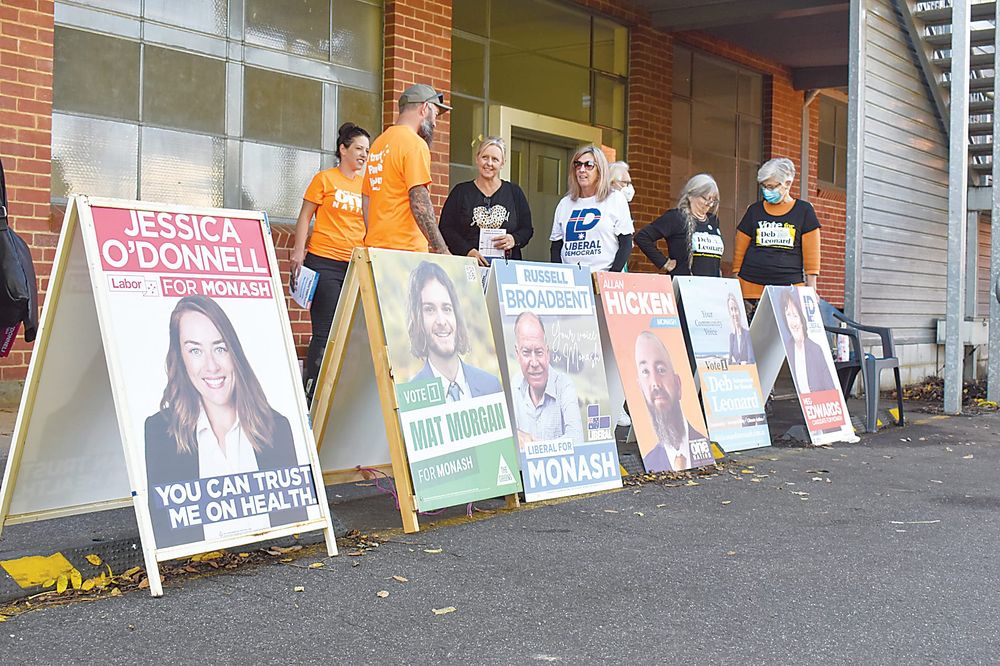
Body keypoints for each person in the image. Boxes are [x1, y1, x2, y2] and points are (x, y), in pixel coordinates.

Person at [145, 296, 306, 548]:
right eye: (195, 350)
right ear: (181, 358)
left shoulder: (277, 426)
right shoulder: (160, 432)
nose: (211, 366)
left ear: (234, 352)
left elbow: (294, 523)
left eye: (220, 348)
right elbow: (167, 534)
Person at [291, 122, 370, 404]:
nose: (363, 155)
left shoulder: (367, 185)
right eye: (358, 148)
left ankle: (338, 394)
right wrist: (298, 252)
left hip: (356, 265)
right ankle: (312, 393)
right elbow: (304, 217)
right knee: (325, 330)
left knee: (353, 332)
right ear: (343, 149)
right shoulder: (325, 179)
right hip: (324, 261)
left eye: (367, 151)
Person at [363, 83, 452, 255]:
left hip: (375, 250)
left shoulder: (378, 144)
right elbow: (420, 202)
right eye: (435, 114)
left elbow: (366, 200)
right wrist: (441, 249)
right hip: (406, 251)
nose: (435, 123)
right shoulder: (415, 144)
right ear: (424, 108)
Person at [732, 157, 821, 315]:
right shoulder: (754, 210)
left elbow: (811, 254)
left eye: (772, 186)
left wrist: (811, 288)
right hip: (751, 290)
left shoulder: (804, 211)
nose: (767, 191)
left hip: (789, 290)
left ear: (787, 183)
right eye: (764, 186)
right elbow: (740, 246)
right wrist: (735, 279)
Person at [406, 261, 501, 400]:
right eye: (430, 309)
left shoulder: (491, 385)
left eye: (446, 308)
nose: (441, 321)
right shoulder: (412, 396)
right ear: (418, 319)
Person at [439, 136, 533, 265]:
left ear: (502, 163)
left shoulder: (514, 193)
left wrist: (514, 239)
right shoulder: (461, 192)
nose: (489, 163)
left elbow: (527, 229)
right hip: (468, 266)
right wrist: (467, 251)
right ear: (477, 159)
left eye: (495, 159)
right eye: (485, 157)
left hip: (506, 267)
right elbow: (446, 228)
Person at [633, 331, 708, 472]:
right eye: (645, 372)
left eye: (661, 370)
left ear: (678, 384)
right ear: (640, 389)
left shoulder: (705, 447)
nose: (655, 383)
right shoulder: (649, 461)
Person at [550, 145, 633, 272]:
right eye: (578, 164)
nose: (582, 170)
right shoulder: (565, 204)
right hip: (571, 281)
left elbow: (626, 244)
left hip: (602, 278)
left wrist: (610, 277)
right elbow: (556, 246)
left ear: (600, 170)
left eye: (589, 165)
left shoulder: (615, 199)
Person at [511, 312, 584, 448]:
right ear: (517, 354)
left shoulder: (564, 385)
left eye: (539, 352)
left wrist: (533, 446)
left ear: (547, 352)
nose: (534, 362)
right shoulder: (514, 385)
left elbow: (577, 439)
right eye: (526, 352)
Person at [634, 173, 723, 277]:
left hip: (711, 285)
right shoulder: (676, 217)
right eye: (705, 199)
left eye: (713, 200)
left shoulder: (713, 220)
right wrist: (664, 262)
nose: (710, 204)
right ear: (691, 196)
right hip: (685, 284)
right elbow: (642, 237)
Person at [779, 289, 835, 393]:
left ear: (802, 319)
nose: (793, 322)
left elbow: (829, 385)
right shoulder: (788, 346)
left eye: (795, 315)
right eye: (788, 315)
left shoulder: (816, 349)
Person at [727, 291, 754, 365]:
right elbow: (729, 361)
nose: (734, 314)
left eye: (735, 309)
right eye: (731, 310)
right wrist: (739, 363)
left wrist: (738, 363)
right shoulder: (732, 336)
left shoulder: (747, 334)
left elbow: (751, 360)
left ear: (739, 310)